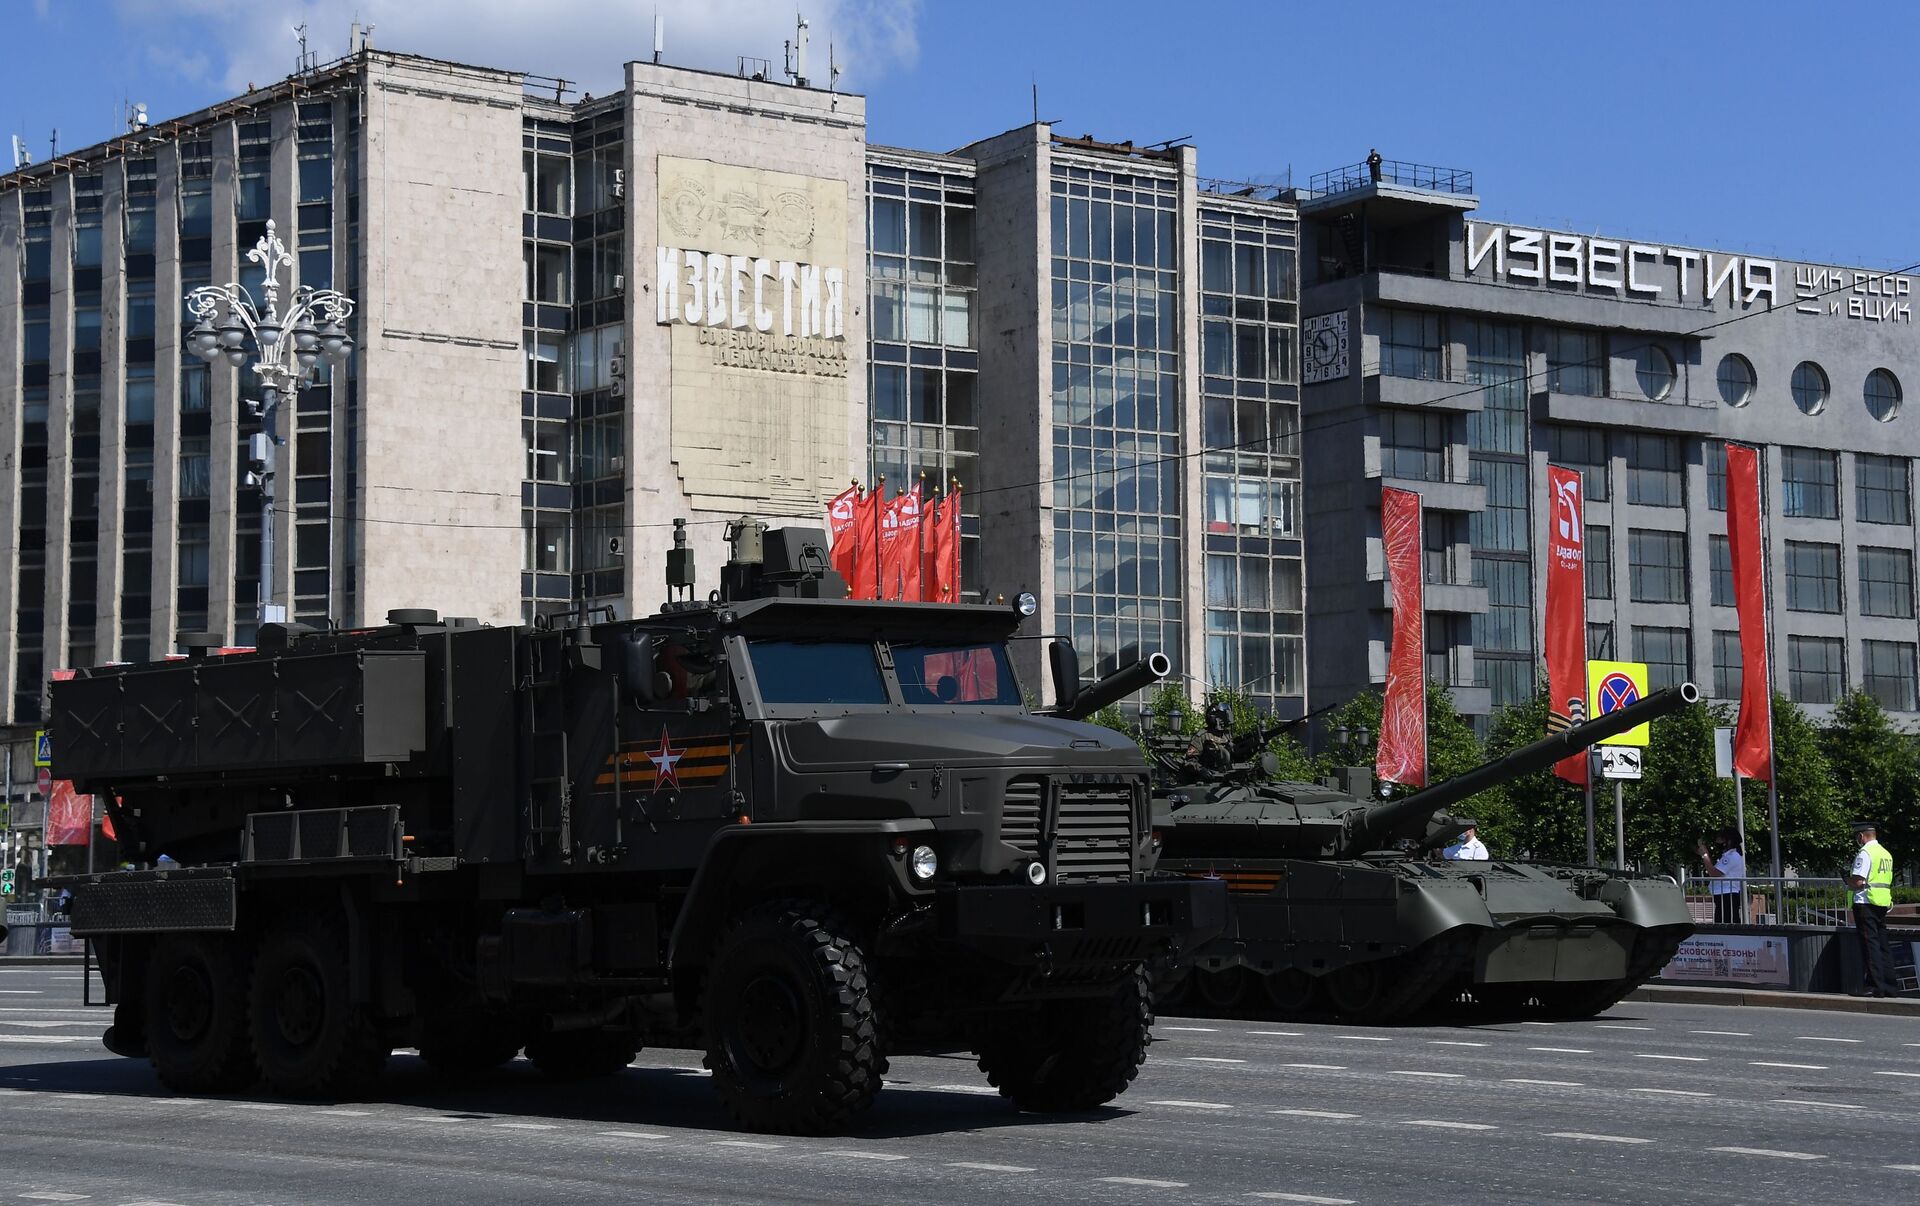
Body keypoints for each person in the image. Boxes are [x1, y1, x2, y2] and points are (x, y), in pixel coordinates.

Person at [1848, 820, 1897, 997]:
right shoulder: (1885, 853)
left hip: (1865, 902)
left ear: (1862, 836)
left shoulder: (1865, 853)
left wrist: (1847, 880)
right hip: (1882, 903)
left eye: (1857, 836)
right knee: (1883, 946)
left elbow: (1858, 881)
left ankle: (1874, 986)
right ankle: (1890, 986)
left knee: (1870, 946)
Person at [1696, 828, 1746, 925]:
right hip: (1724, 894)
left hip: (1727, 895)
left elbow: (1714, 873)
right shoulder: (1728, 856)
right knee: (1722, 922)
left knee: (1727, 923)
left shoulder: (1731, 856)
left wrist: (1705, 856)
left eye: (1721, 839)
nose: (1718, 842)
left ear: (1729, 841)